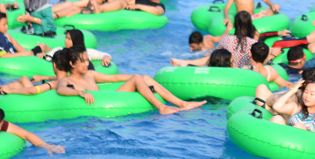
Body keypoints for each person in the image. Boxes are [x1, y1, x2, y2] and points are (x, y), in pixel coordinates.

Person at [58, 47, 205, 115]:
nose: (86, 64)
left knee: (144, 78)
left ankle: (182, 103)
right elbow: (60, 89)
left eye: (87, 60)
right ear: (72, 64)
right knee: (137, 79)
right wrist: (80, 93)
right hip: (98, 107)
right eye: (82, 61)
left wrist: (140, 78)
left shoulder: (90, 74)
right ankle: (161, 107)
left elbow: (115, 78)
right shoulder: (67, 80)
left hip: (111, 97)